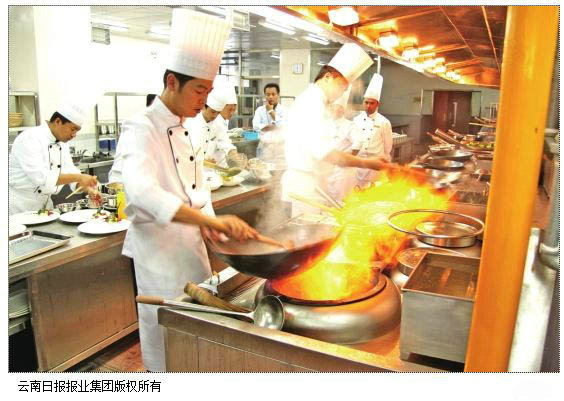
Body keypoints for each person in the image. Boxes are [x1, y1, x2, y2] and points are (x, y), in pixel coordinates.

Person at [118, 8, 257, 372]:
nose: (203, 99)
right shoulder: (141, 128)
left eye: (208, 91)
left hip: (193, 252)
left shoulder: (189, 127)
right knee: (168, 345)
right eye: (199, 90)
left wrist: (210, 225)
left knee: (199, 342)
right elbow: (142, 193)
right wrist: (209, 221)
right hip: (160, 258)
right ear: (171, 82)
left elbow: (198, 191)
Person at [282, 43, 393, 217]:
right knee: (307, 230)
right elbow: (327, 154)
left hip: (317, 183)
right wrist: (368, 163)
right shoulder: (310, 102)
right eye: (341, 87)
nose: (341, 94)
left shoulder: (319, 102)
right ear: (327, 77)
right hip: (306, 186)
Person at [9, 104, 98, 214]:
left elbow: (69, 168)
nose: (74, 135)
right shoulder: (30, 138)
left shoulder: (61, 142)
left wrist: (86, 187)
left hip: (45, 205)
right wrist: (80, 177)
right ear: (58, 121)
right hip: (20, 207)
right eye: (72, 129)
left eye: (77, 131)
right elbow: (42, 177)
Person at [351, 73, 393, 188]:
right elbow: (354, 143)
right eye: (366, 102)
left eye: (372, 103)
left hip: (375, 167)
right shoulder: (357, 120)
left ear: (377, 104)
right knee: (358, 192)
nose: (368, 106)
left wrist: (385, 165)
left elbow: (387, 148)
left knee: (372, 193)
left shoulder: (384, 122)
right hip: (359, 166)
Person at [207, 81, 238, 167]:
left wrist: (233, 152)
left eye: (234, 110)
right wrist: (232, 151)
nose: (232, 113)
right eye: (229, 109)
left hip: (219, 165)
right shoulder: (215, 120)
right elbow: (221, 141)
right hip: (209, 166)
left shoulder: (224, 119)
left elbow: (223, 139)